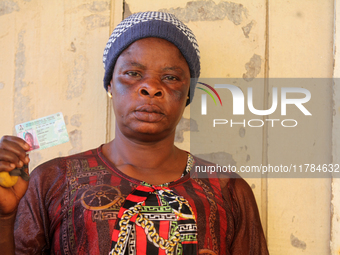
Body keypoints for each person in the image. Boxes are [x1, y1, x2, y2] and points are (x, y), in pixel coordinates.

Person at [0, 12, 269, 254]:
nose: (151, 87)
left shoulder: (228, 189)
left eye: (171, 77)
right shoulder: (53, 179)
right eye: (132, 73)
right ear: (109, 85)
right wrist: (4, 218)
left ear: (188, 93)